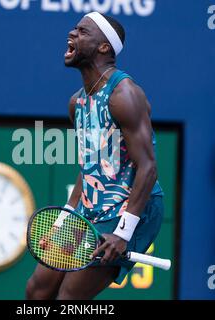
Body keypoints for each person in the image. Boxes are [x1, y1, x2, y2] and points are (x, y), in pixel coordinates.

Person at [26, 12, 164, 300]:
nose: (72, 34)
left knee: (69, 299)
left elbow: (148, 168)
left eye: (82, 31)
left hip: (131, 210)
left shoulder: (124, 95)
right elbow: (91, 165)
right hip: (91, 209)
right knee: (38, 289)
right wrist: (64, 218)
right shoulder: (77, 102)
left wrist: (124, 232)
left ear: (104, 47)